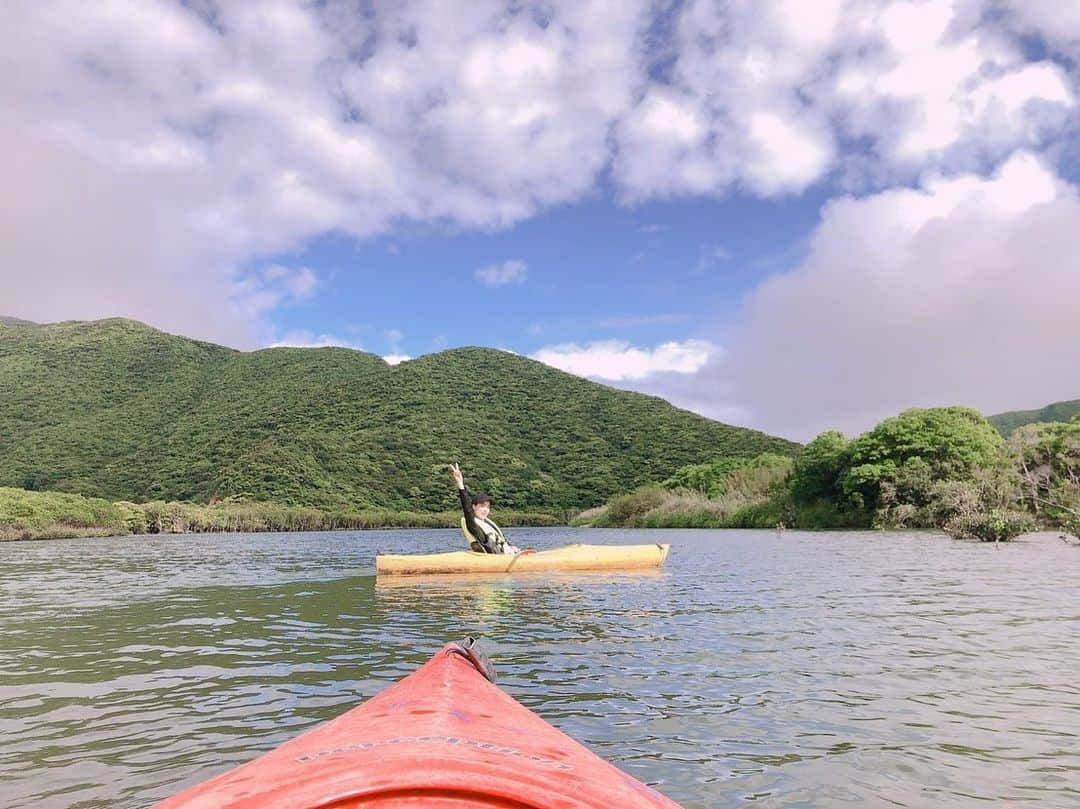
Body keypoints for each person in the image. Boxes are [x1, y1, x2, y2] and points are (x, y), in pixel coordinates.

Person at [449, 463, 521, 554]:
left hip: (506, 555)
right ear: (474, 507)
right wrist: (460, 484)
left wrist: (511, 547)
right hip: (494, 558)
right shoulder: (473, 524)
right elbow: (467, 509)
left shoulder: (488, 523)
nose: (485, 509)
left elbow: (502, 540)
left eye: (488, 507)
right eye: (482, 506)